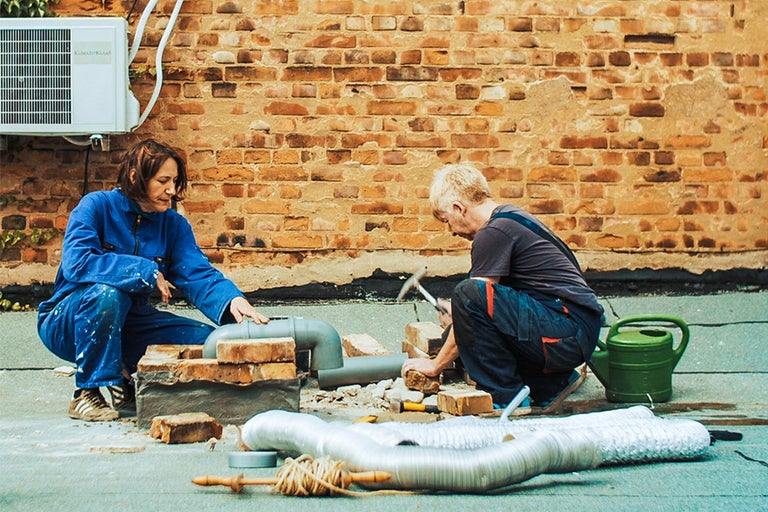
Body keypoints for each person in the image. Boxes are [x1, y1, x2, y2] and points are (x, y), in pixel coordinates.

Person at [37, 139, 270, 422]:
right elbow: (78, 263)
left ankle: (122, 379)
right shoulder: (96, 207)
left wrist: (233, 301)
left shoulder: (172, 224)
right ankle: (88, 392)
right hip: (69, 321)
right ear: (136, 177)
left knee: (206, 341)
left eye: (174, 181)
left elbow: (197, 273)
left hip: (131, 322)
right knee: (108, 294)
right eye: (163, 181)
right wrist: (144, 271)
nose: (171, 189)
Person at [401, 163, 604, 409]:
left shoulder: (493, 233)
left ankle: (508, 399)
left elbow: (474, 296)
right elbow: (496, 303)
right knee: (460, 335)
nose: (451, 231)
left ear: (458, 208)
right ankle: (551, 383)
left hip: (567, 334)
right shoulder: (511, 218)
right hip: (573, 331)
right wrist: (463, 319)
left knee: (466, 295)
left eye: (447, 221)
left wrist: (435, 366)